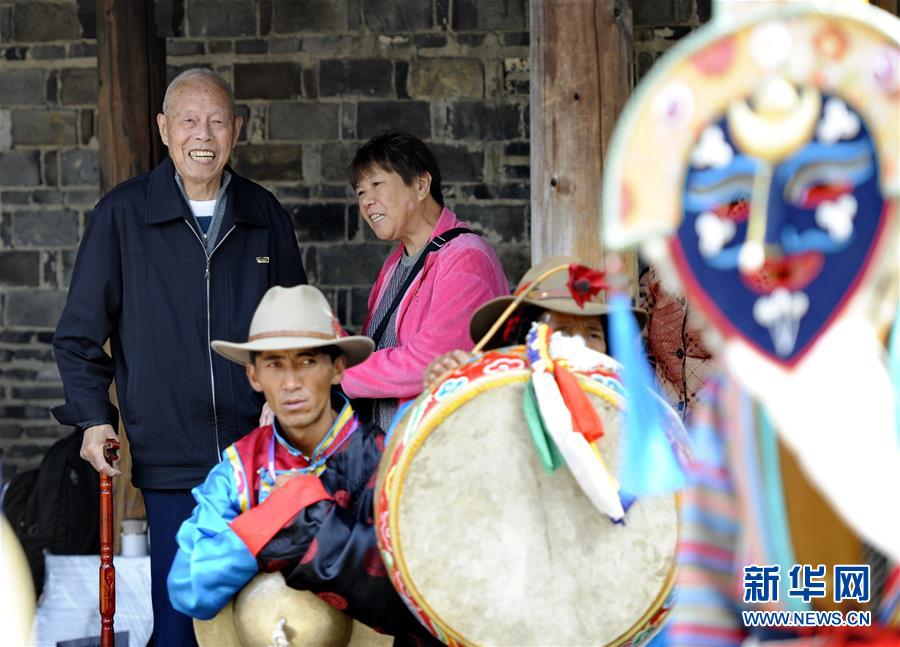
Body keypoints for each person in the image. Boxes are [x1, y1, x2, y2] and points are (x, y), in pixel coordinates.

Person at [51, 68, 306, 645]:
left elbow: (297, 330)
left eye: (217, 121)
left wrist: (288, 395)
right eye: (189, 120)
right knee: (180, 629)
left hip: (258, 461)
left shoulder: (265, 216)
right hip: (171, 463)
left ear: (237, 129)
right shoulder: (123, 215)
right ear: (164, 129)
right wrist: (93, 419)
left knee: (264, 624)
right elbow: (79, 336)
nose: (203, 135)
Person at [168, 285, 437, 644]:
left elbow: (421, 593)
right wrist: (271, 518)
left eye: (308, 361)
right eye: (274, 364)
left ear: (338, 368)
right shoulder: (238, 470)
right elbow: (188, 588)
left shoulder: (384, 462)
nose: (291, 382)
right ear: (254, 376)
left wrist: (309, 520)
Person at [340, 131, 509, 429]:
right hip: (386, 446)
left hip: (435, 445)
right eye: (360, 192)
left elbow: (430, 362)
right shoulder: (394, 264)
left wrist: (335, 371)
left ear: (420, 186)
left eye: (377, 185)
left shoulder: (466, 258)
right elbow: (376, 350)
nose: (366, 201)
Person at [423, 255, 648, 387]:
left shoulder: (624, 402)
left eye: (593, 334)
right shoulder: (497, 386)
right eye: (563, 333)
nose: (581, 344)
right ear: (523, 338)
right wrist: (454, 380)